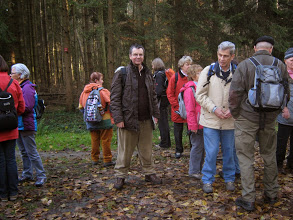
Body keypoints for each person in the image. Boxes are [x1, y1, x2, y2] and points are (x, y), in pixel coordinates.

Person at [229, 36, 290, 211]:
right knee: (269, 155)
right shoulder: (280, 65)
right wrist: (277, 111)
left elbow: (235, 94)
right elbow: (286, 93)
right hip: (270, 119)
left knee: (246, 157)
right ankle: (271, 194)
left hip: (247, 119)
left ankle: (248, 198)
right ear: (270, 49)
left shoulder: (245, 65)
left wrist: (236, 113)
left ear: (255, 48)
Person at [110, 43, 161, 190]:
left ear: (143, 56)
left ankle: (149, 173)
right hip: (128, 120)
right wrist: (118, 119)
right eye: (135, 54)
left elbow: (152, 95)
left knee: (146, 149)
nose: (138, 57)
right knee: (125, 151)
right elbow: (115, 98)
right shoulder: (122, 73)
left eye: (140, 54)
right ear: (130, 56)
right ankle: (120, 176)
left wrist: (155, 114)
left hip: (146, 119)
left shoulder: (147, 73)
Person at [196, 41, 238, 193]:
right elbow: (199, 95)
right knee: (212, 151)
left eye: (226, 56)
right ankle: (207, 180)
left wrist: (233, 110)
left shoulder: (238, 72)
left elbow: (245, 95)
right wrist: (213, 108)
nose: (222, 59)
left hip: (230, 121)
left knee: (229, 151)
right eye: (220, 55)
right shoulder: (208, 71)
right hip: (211, 120)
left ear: (232, 56)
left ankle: (229, 178)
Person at [10, 63, 47, 187]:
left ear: (20, 75)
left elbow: (27, 106)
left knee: (31, 151)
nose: (10, 75)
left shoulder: (27, 88)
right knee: (23, 151)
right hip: (18, 124)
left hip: (27, 124)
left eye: (12, 73)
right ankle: (27, 173)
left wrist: (12, 110)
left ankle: (41, 175)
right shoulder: (19, 86)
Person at [0, 56, 25, 201]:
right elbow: (21, 107)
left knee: (0, 160)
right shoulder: (14, 83)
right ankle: (14, 192)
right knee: (11, 159)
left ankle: (3, 194)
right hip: (11, 127)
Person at [79, 72, 115, 167]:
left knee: (94, 140)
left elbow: (81, 107)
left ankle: (95, 159)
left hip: (91, 121)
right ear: (96, 81)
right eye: (101, 79)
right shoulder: (103, 91)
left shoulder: (84, 92)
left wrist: (89, 116)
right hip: (105, 120)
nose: (102, 81)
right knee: (105, 140)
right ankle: (107, 159)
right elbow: (112, 104)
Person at [180, 64, 204, 179]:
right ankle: (194, 171)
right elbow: (190, 109)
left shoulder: (201, 86)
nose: (202, 74)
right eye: (199, 73)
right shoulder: (190, 89)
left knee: (202, 147)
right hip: (196, 124)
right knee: (197, 147)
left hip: (204, 123)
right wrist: (193, 125)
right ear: (193, 75)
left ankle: (199, 169)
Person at [167, 56, 192, 158]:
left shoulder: (192, 76)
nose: (189, 66)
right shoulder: (175, 77)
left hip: (191, 109)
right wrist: (176, 107)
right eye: (187, 64)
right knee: (178, 131)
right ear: (181, 66)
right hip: (178, 109)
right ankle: (178, 150)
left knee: (192, 130)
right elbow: (169, 93)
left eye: (190, 64)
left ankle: (193, 149)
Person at [276, 48, 293, 173]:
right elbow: (277, 94)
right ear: (285, 60)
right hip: (284, 115)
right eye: (291, 60)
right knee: (281, 142)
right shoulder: (280, 75)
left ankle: (291, 165)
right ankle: (278, 164)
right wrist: (284, 107)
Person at [152, 58, 171, 149]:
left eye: (153, 65)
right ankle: (166, 141)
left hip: (161, 101)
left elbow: (158, 90)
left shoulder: (159, 75)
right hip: (165, 100)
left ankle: (164, 143)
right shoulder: (163, 74)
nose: (152, 66)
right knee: (164, 121)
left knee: (162, 122)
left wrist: (153, 98)